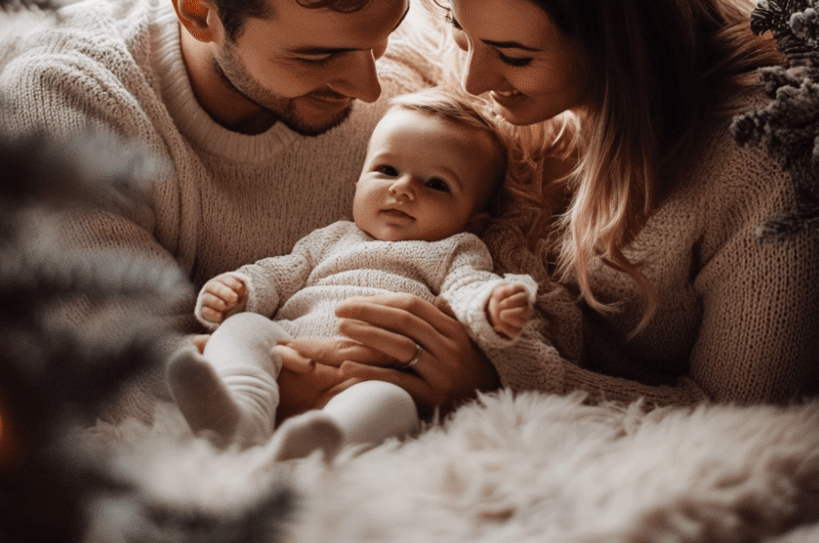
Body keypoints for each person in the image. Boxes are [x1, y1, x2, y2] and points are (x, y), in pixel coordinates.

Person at [294, 0, 819, 407]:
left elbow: (742, 417)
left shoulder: (773, 150)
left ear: (616, 41)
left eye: (514, 56)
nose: (474, 80)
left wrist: (498, 380)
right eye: (460, 32)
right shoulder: (512, 73)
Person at [0, 0, 493, 415]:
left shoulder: (412, 97)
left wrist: (478, 367)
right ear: (199, 12)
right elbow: (111, 359)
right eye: (318, 55)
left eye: (382, 37)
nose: (367, 87)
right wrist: (279, 383)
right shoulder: (70, 103)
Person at [166, 89, 542, 458]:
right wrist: (238, 292)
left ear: (473, 222)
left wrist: (493, 306)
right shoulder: (331, 238)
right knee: (243, 328)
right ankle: (243, 415)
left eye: (436, 184)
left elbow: (469, 289)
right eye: (387, 170)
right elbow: (276, 275)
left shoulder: (456, 249)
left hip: (371, 376)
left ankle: (319, 445)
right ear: (358, 184)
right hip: (289, 353)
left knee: (392, 403)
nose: (402, 188)